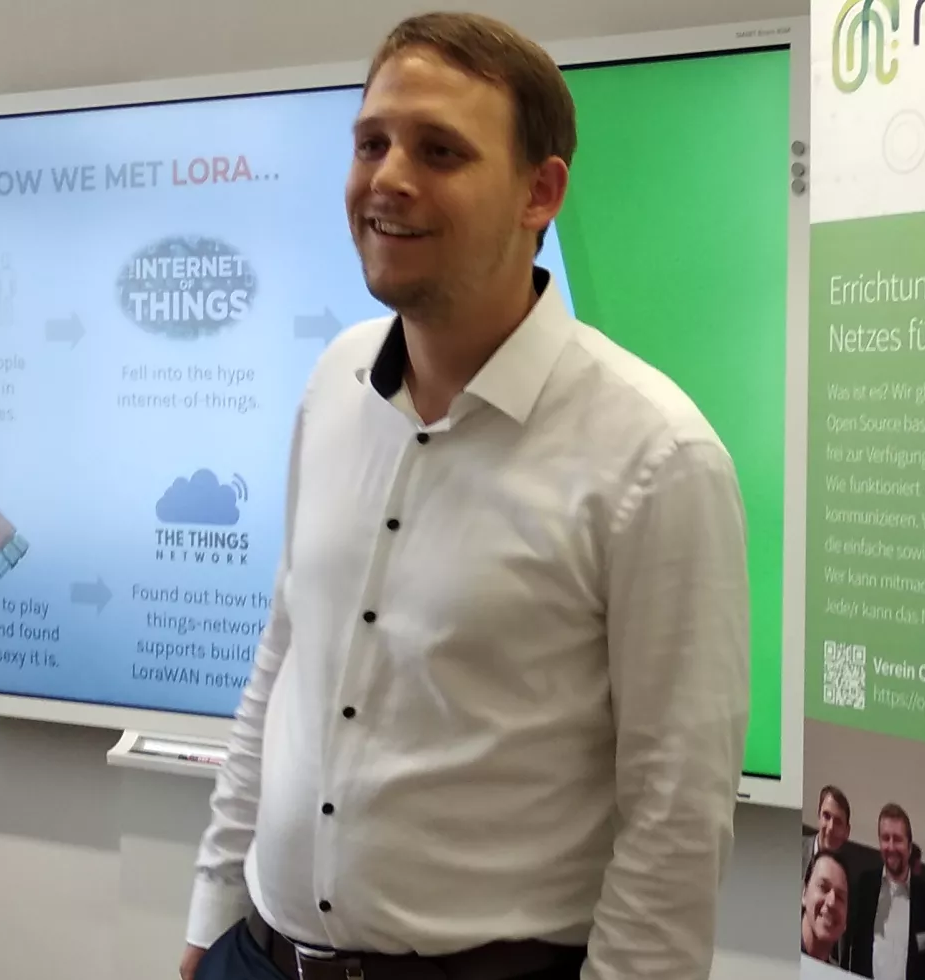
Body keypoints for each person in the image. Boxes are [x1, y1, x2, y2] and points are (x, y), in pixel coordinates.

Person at [178, 11, 751, 980]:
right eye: (371, 143)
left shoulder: (655, 456)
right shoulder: (333, 382)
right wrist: (212, 911)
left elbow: (675, 815)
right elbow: (284, 661)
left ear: (540, 192)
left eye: (439, 151)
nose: (388, 178)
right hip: (257, 954)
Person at [846, 804, 925, 980]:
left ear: (909, 846)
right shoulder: (864, 886)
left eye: (897, 839)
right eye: (885, 838)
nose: (891, 847)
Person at [802, 850, 854, 967]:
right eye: (823, 887)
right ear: (804, 893)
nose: (832, 902)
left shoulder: (836, 974)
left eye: (840, 897)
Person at [805, 784, 852, 875]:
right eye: (826, 816)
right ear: (819, 817)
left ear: (847, 832)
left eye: (838, 822)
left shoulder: (848, 874)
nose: (830, 827)